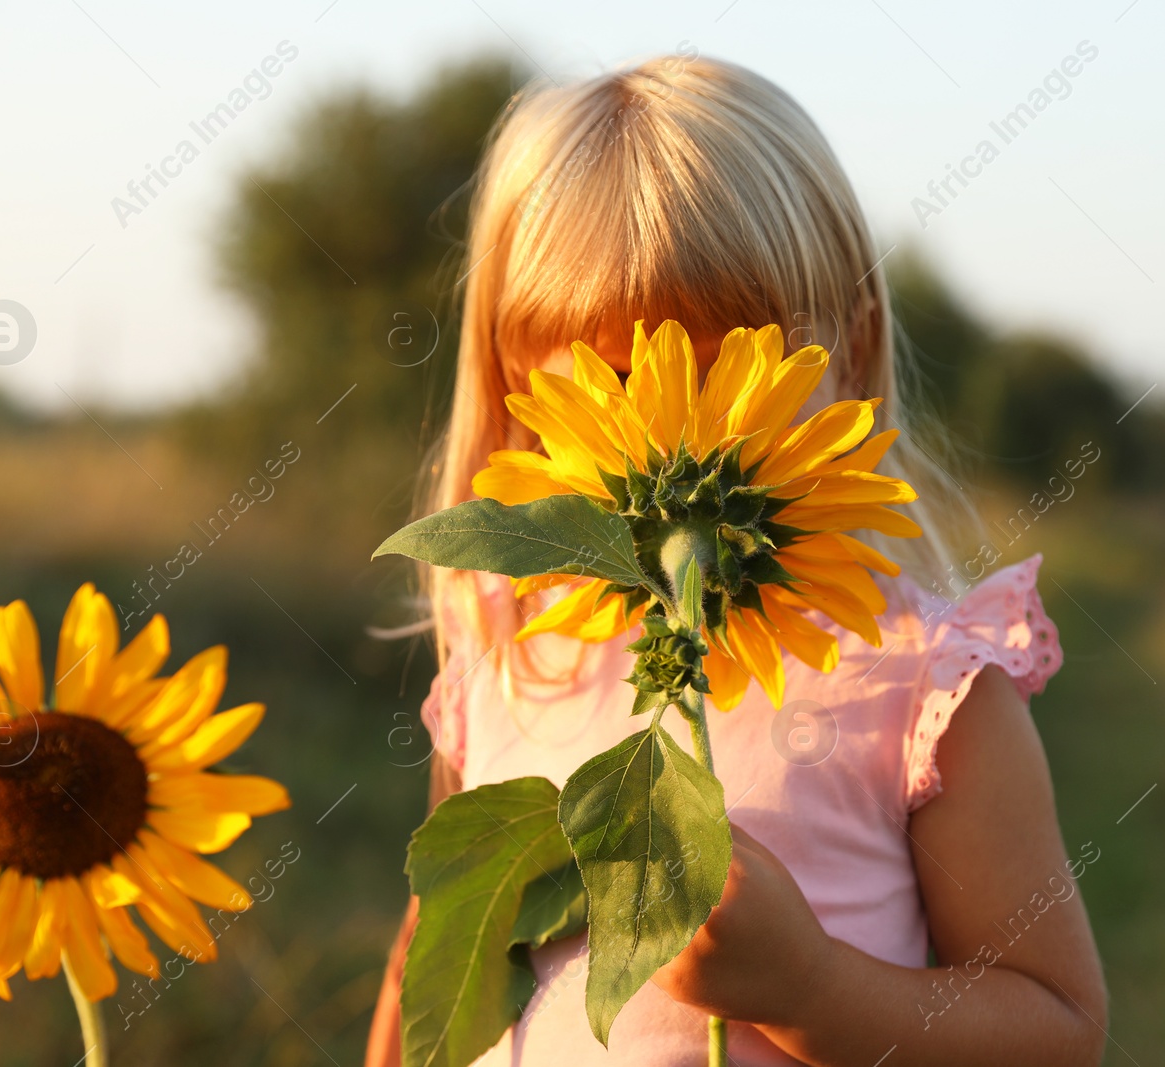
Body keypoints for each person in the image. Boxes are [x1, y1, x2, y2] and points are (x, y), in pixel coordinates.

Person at [365, 53, 1106, 1067]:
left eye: (732, 366)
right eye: (620, 379)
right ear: (519, 384)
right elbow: (438, 950)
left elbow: (1054, 1026)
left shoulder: (922, 679)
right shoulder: (511, 646)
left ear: (847, 349)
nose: (679, 435)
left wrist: (810, 988)